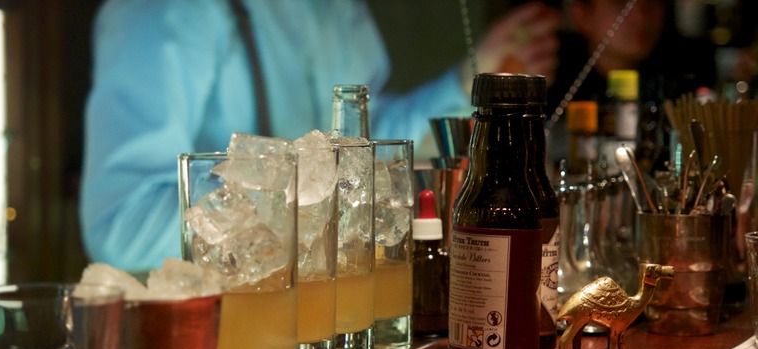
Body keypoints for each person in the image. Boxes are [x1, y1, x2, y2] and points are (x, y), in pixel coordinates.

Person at [81, 0, 561, 272]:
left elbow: (356, 143)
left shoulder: (336, 9)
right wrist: (297, 186)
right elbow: (122, 227)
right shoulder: (161, 11)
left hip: (318, 328)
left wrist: (460, 84)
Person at [545, 0, 717, 166]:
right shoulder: (551, 74)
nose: (641, 15)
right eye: (620, 2)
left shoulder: (685, 73)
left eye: (651, 1)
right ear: (581, 15)